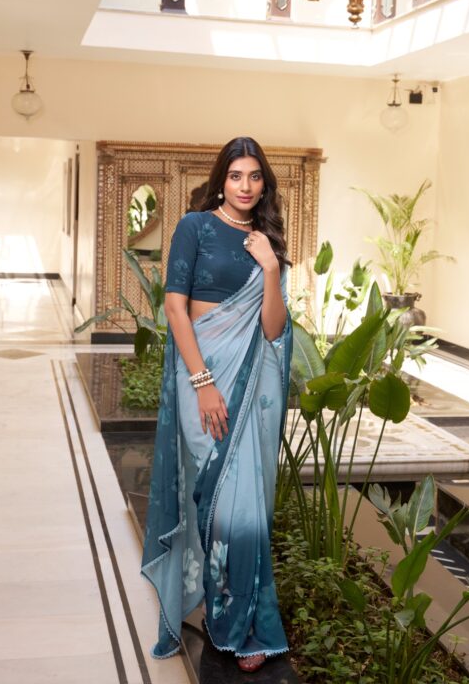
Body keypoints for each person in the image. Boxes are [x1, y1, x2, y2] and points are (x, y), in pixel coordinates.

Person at [141, 136, 293, 673]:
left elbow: (273, 330)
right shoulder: (195, 227)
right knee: (217, 500)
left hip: (252, 383)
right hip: (202, 376)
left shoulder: (268, 241)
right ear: (221, 180)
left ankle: (238, 621)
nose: (245, 186)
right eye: (236, 176)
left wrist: (270, 269)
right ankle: (223, 605)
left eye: (254, 176)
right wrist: (203, 381)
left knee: (244, 509)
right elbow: (175, 309)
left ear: (264, 183)